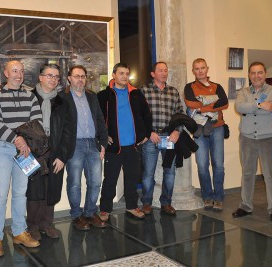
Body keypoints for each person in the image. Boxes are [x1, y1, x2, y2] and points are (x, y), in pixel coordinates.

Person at [0, 60, 42, 257]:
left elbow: (36, 122)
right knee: (0, 195)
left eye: (21, 71)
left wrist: (24, 142)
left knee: (21, 193)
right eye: (14, 71)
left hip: (25, 150)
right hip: (3, 148)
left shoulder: (30, 95)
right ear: (6, 73)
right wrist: (16, 138)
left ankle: (19, 231)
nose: (18, 75)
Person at [97, 62, 152, 220]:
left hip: (133, 146)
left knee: (132, 178)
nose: (124, 76)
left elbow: (147, 115)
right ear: (114, 75)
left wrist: (146, 135)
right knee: (110, 179)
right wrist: (103, 136)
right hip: (114, 147)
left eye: (127, 74)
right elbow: (98, 119)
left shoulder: (136, 94)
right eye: (121, 73)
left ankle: (132, 206)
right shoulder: (103, 96)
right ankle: (105, 209)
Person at [26, 63, 74, 240]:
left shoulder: (63, 102)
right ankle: (33, 226)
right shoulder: (29, 97)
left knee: (51, 188)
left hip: (55, 151)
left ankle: (47, 224)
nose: (53, 79)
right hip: (33, 151)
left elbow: (69, 131)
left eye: (56, 77)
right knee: (34, 189)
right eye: (49, 75)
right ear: (40, 77)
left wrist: (62, 156)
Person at [232, 62, 272, 224]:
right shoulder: (243, 92)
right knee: (247, 173)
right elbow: (239, 107)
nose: (256, 76)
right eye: (253, 73)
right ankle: (246, 206)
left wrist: (250, 107)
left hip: (269, 139)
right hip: (247, 139)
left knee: (270, 175)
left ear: (265, 74)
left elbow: (270, 106)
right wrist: (259, 105)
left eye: (259, 72)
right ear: (249, 75)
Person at [61, 65, 109, 230]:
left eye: (83, 76)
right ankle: (76, 215)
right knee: (74, 183)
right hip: (75, 146)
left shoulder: (92, 96)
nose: (80, 79)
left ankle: (90, 213)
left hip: (93, 144)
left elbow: (100, 120)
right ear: (69, 78)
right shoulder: (63, 97)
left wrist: (103, 143)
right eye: (76, 76)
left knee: (95, 182)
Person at [140, 61, 184, 216]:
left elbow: (180, 114)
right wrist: (148, 133)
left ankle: (166, 202)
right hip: (152, 137)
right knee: (148, 173)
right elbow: (138, 115)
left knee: (170, 172)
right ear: (153, 74)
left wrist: (177, 132)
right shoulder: (143, 91)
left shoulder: (173, 92)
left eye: (166, 70)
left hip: (169, 137)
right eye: (160, 70)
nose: (164, 73)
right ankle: (146, 203)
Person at [184, 58, 228, 211]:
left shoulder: (217, 86)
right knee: (202, 165)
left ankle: (219, 198)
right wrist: (211, 104)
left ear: (207, 69)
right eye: (197, 68)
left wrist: (201, 105)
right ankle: (207, 197)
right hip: (199, 129)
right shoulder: (189, 87)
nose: (200, 71)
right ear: (193, 71)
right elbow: (190, 104)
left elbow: (225, 103)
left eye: (202, 68)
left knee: (219, 165)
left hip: (217, 128)